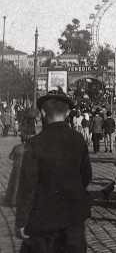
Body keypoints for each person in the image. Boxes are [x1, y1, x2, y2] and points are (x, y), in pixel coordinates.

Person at [15, 90, 92, 253]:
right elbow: (86, 176)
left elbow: (27, 186)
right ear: (68, 112)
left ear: (42, 112)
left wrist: (21, 220)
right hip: (74, 215)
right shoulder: (78, 139)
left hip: (42, 219)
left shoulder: (34, 143)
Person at [4, 138, 26, 207]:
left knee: (14, 183)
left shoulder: (16, 147)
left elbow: (11, 157)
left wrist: (17, 159)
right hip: (25, 166)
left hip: (16, 166)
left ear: (21, 140)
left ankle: (12, 201)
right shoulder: (29, 148)